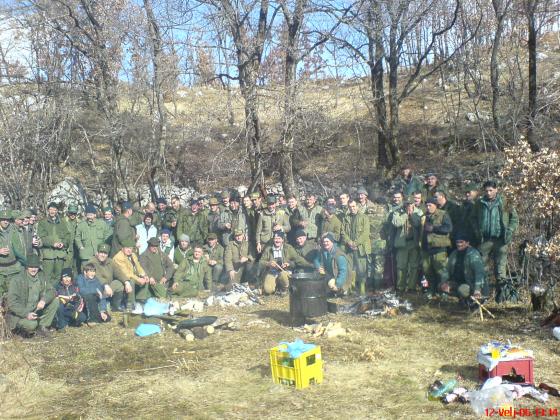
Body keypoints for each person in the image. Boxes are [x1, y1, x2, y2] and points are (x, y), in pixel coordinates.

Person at [471, 180, 519, 303]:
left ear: (496, 190)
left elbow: (514, 219)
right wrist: (477, 231)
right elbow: (473, 218)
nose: (488, 193)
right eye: (486, 190)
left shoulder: (505, 201)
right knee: (481, 268)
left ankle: (501, 297)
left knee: (500, 270)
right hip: (485, 240)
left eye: (491, 190)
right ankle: (484, 296)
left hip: (500, 240)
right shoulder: (479, 203)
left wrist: (509, 231)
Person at [6, 255, 59, 337]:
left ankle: (42, 327)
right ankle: (18, 330)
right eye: (31, 266)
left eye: (36, 266)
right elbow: (12, 303)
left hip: (36, 311)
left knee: (55, 300)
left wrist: (44, 300)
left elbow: (53, 291)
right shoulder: (17, 280)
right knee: (32, 325)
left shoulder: (42, 277)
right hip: (20, 315)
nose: (33, 269)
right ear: (26, 266)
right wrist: (26, 314)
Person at [259, 231, 312, 295]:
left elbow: (298, 259)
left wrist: (310, 265)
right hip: (272, 272)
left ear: (282, 240)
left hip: (285, 271)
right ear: (273, 240)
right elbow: (261, 262)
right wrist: (268, 264)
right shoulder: (268, 249)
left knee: (283, 275)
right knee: (268, 290)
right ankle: (277, 287)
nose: (277, 240)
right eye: (275, 238)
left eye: (279, 238)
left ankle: (284, 289)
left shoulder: (288, 248)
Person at [440, 234, 488, 305]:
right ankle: (462, 299)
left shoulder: (473, 254)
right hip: (458, 282)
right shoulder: (454, 254)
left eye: (461, 242)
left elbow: (479, 273)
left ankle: (471, 301)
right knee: (440, 286)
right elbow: (446, 270)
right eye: (457, 242)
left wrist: (477, 290)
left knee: (462, 290)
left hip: (473, 285)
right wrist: (444, 282)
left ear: (467, 243)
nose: (459, 244)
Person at [421, 197, 452, 299]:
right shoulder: (424, 216)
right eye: (427, 205)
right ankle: (431, 290)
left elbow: (448, 228)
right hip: (426, 249)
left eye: (430, 205)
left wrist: (434, 228)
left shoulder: (443, 214)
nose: (428, 207)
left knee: (441, 272)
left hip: (439, 248)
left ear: (436, 205)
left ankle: (444, 292)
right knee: (427, 271)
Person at [391, 198, 422, 294]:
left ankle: (411, 287)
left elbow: (417, 224)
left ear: (414, 204)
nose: (409, 206)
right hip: (402, 243)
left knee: (414, 266)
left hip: (414, 242)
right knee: (401, 266)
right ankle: (400, 287)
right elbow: (396, 223)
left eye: (411, 204)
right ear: (404, 204)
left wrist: (412, 214)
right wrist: (405, 214)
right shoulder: (397, 212)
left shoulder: (419, 212)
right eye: (407, 204)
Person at [37, 202, 72, 285]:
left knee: (58, 276)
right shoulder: (42, 222)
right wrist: (53, 243)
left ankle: (55, 293)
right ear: (48, 210)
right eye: (51, 209)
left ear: (57, 211)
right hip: (48, 255)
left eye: (54, 209)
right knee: (47, 276)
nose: (52, 211)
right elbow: (42, 237)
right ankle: (47, 294)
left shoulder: (63, 222)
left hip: (60, 255)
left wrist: (63, 243)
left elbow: (68, 236)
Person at [342, 200, 371, 295]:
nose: (352, 208)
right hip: (349, 248)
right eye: (350, 207)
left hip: (361, 248)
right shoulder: (346, 218)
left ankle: (362, 291)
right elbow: (343, 232)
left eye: (354, 206)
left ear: (357, 206)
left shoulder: (364, 217)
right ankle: (351, 290)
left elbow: (366, 233)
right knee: (350, 269)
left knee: (361, 270)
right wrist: (349, 242)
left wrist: (355, 243)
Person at [87, 244, 127, 311]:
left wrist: (126, 282)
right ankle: (101, 305)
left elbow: (118, 272)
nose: (103, 255)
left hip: (107, 288)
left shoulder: (110, 261)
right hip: (96, 288)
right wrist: (105, 285)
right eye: (101, 252)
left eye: (105, 253)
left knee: (119, 284)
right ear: (97, 253)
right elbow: (96, 276)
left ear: (107, 254)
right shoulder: (92, 262)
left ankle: (115, 306)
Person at [112, 239, 149, 310]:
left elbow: (138, 266)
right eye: (127, 248)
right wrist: (138, 279)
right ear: (122, 248)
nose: (129, 250)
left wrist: (144, 275)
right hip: (121, 278)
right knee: (131, 281)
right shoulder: (118, 257)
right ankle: (130, 303)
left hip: (132, 275)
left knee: (146, 279)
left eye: (131, 248)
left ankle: (140, 299)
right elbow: (126, 273)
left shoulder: (133, 255)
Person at [75, 204, 112, 271]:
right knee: (85, 273)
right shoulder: (81, 225)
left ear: (95, 214)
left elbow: (107, 235)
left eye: (91, 214)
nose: (90, 216)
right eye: (88, 214)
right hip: (86, 255)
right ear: (86, 215)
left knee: (100, 273)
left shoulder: (102, 224)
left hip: (99, 254)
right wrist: (80, 247)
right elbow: (77, 237)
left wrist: (103, 248)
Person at [0, 209, 25, 297]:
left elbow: (20, 250)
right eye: (3, 219)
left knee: (13, 294)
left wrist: (25, 263)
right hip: (1, 269)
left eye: (7, 220)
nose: (5, 222)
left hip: (13, 268)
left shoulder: (14, 231)